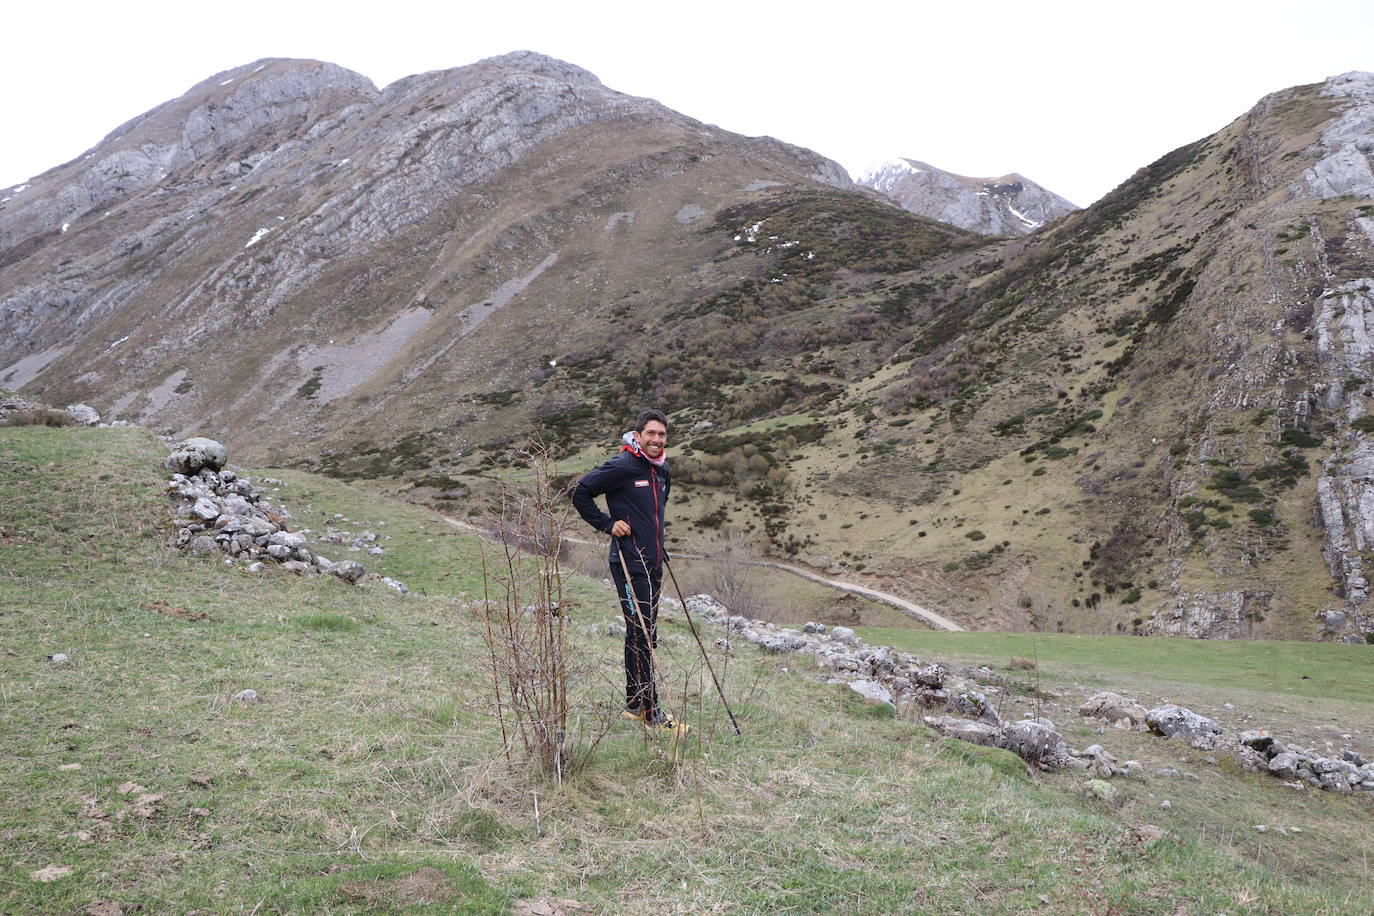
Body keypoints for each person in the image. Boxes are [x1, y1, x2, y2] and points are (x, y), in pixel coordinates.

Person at [571, 409, 687, 735]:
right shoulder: (622, 465)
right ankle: (650, 712)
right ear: (637, 436)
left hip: (652, 564)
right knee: (643, 634)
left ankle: (635, 705)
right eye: (651, 433)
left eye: (662, 434)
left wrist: (658, 545)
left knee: (640, 632)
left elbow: (653, 514)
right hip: (627, 562)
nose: (656, 440)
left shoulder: (662, 471)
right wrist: (608, 524)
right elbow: (580, 491)